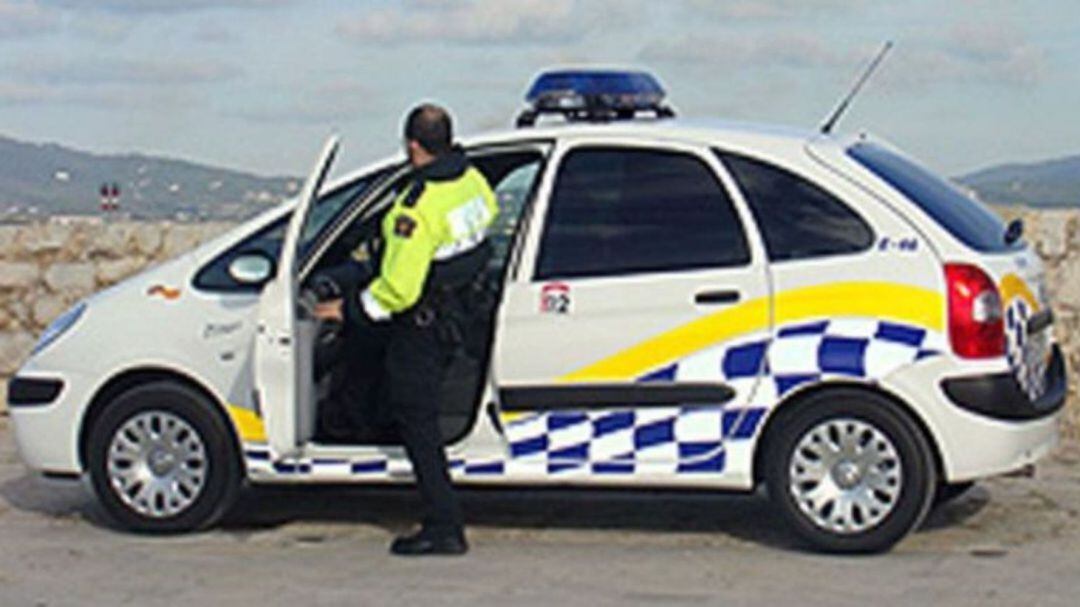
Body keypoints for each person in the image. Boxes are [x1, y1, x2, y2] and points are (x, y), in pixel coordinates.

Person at [314, 104, 497, 556]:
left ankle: (444, 525)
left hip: (423, 326)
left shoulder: (417, 209)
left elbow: (397, 291)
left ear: (413, 146)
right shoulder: (472, 182)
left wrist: (345, 309)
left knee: (417, 421)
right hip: (459, 312)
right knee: (400, 396)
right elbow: (483, 222)